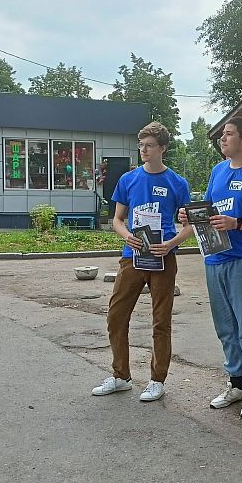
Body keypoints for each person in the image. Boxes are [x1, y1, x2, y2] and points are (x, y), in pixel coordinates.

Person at [181, 117, 242, 419]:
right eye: (222, 135)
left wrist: (237, 222)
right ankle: (236, 384)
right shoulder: (218, 171)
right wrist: (190, 217)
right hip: (215, 259)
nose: (222, 140)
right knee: (226, 328)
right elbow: (209, 211)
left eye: (228, 134)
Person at [92, 122, 192, 402]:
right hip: (133, 257)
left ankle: (157, 380)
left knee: (161, 321)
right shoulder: (129, 179)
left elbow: (190, 225)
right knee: (116, 316)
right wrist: (127, 237)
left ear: (162, 148)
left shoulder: (177, 183)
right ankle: (121, 376)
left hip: (163, 257)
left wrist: (171, 244)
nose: (143, 150)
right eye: (141, 145)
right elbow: (117, 219)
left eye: (149, 146)